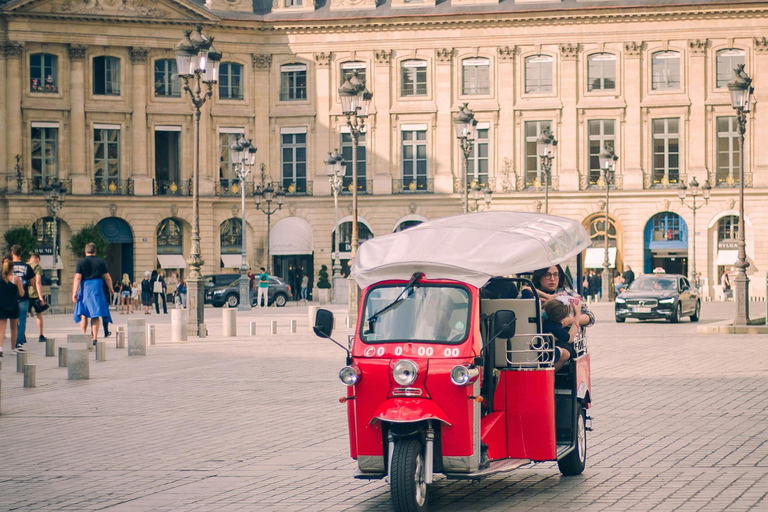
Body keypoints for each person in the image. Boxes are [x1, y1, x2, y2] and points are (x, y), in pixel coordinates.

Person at [523, 265, 595, 329]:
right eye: (547, 275)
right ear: (539, 277)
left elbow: (590, 317)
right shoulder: (531, 292)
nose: (552, 279)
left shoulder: (567, 293)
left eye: (556, 275)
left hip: (561, 335)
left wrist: (570, 320)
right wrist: (547, 297)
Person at [72, 243, 112, 345]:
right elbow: (107, 277)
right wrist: (111, 288)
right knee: (95, 315)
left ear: (85, 251)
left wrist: (74, 292)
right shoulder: (101, 262)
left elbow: (77, 278)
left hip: (85, 289)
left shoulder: (81, 262)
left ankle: (83, 335)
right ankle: (94, 338)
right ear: (95, 251)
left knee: (84, 314)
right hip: (97, 289)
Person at [542, 296, 584, 372]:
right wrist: (577, 314)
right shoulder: (555, 327)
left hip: (534, 346)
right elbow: (570, 338)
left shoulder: (540, 315)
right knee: (563, 352)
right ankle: (549, 375)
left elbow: (526, 290)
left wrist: (548, 296)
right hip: (543, 353)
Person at [11, 245, 36, 350]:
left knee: (13, 320)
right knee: (22, 319)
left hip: (10, 297)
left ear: (12, 253)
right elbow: (32, 282)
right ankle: (19, 342)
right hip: (23, 296)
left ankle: (13, 340)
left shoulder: (7, 266)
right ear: (21, 253)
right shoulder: (27, 267)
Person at [0, 256, 25, 356]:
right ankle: (13, 348)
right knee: (14, 328)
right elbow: (22, 293)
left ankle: (0, 348)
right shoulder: (16, 279)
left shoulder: (1, 279)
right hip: (13, 305)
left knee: (2, 328)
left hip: (2, 305)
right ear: (12, 268)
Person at [27, 252, 48, 342]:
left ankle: (21, 336)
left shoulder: (25, 266)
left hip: (24, 294)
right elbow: (38, 282)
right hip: (34, 294)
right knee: (39, 315)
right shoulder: (37, 267)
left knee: (22, 316)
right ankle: (41, 335)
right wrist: (41, 298)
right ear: (37, 259)